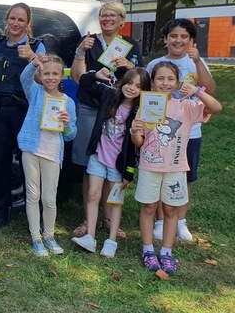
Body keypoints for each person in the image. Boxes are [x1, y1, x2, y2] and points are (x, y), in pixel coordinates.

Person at [131, 61, 221, 275]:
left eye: (170, 79)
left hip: (176, 167)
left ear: (178, 82)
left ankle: (167, 252)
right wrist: (135, 131)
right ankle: (148, 250)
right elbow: (139, 142)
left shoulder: (186, 106)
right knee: (148, 208)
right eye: (160, 79)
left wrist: (197, 91)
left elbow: (216, 107)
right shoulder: (147, 105)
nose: (165, 83)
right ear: (152, 82)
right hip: (150, 166)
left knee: (171, 210)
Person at [70, 1, 143, 240]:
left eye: (113, 15)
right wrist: (81, 51)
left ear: (122, 20)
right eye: (103, 15)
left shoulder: (130, 45)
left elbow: (142, 78)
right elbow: (77, 77)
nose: (108, 19)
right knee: (90, 162)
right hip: (91, 108)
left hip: (119, 112)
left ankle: (110, 219)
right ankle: (88, 218)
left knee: (114, 163)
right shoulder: (89, 41)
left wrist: (130, 66)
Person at [145, 19, 216, 242]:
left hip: (189, 131)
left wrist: (198, 63)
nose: (178, 40)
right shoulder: (155, 63)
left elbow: (211, 89)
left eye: (184, 37)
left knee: (185, 176)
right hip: (160, 131)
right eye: (173, 36)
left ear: (191, 40)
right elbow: (146, 94)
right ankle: (159, 221)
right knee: (159, 173)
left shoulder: (197, 61)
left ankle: (181, 221)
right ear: (165, 39)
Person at [0, 3, 45, 228]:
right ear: (7, 20)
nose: (16, 23)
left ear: (28, 24)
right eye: (12, 18)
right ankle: (0, 214)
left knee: (30, 167)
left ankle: (34, 216)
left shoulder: (37, 46)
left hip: (26, 114)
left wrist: (32, 58)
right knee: (1, 163)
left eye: (21, 20)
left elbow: (47, 78)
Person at [71, 67, 151, 258]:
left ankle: (111, 241)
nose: (132, 88)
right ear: (123, 82)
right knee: (92, 194)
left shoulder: (140, 112)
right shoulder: (109, 95)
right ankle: (90, 237)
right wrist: (95, 75)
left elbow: (135, 147)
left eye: (138, 86)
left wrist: (129, 173)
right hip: (98, 156)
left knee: (115, 201)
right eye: (130, 82)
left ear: (144, 90)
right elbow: (85, 83)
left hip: (119, 164)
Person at [19, 53, 77, 257]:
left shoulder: (68, 102)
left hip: (52, 153)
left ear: (62, 77)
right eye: (46, 74)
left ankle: (49, 236)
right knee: (32, 196)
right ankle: (36, 237)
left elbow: (71, 136)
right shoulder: (35, 93)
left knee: (49, 198)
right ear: (40, 76)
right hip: (31, 149)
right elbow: (24, 79)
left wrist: (67, 123)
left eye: (55, 74)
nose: (50, 77)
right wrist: (33, 64)